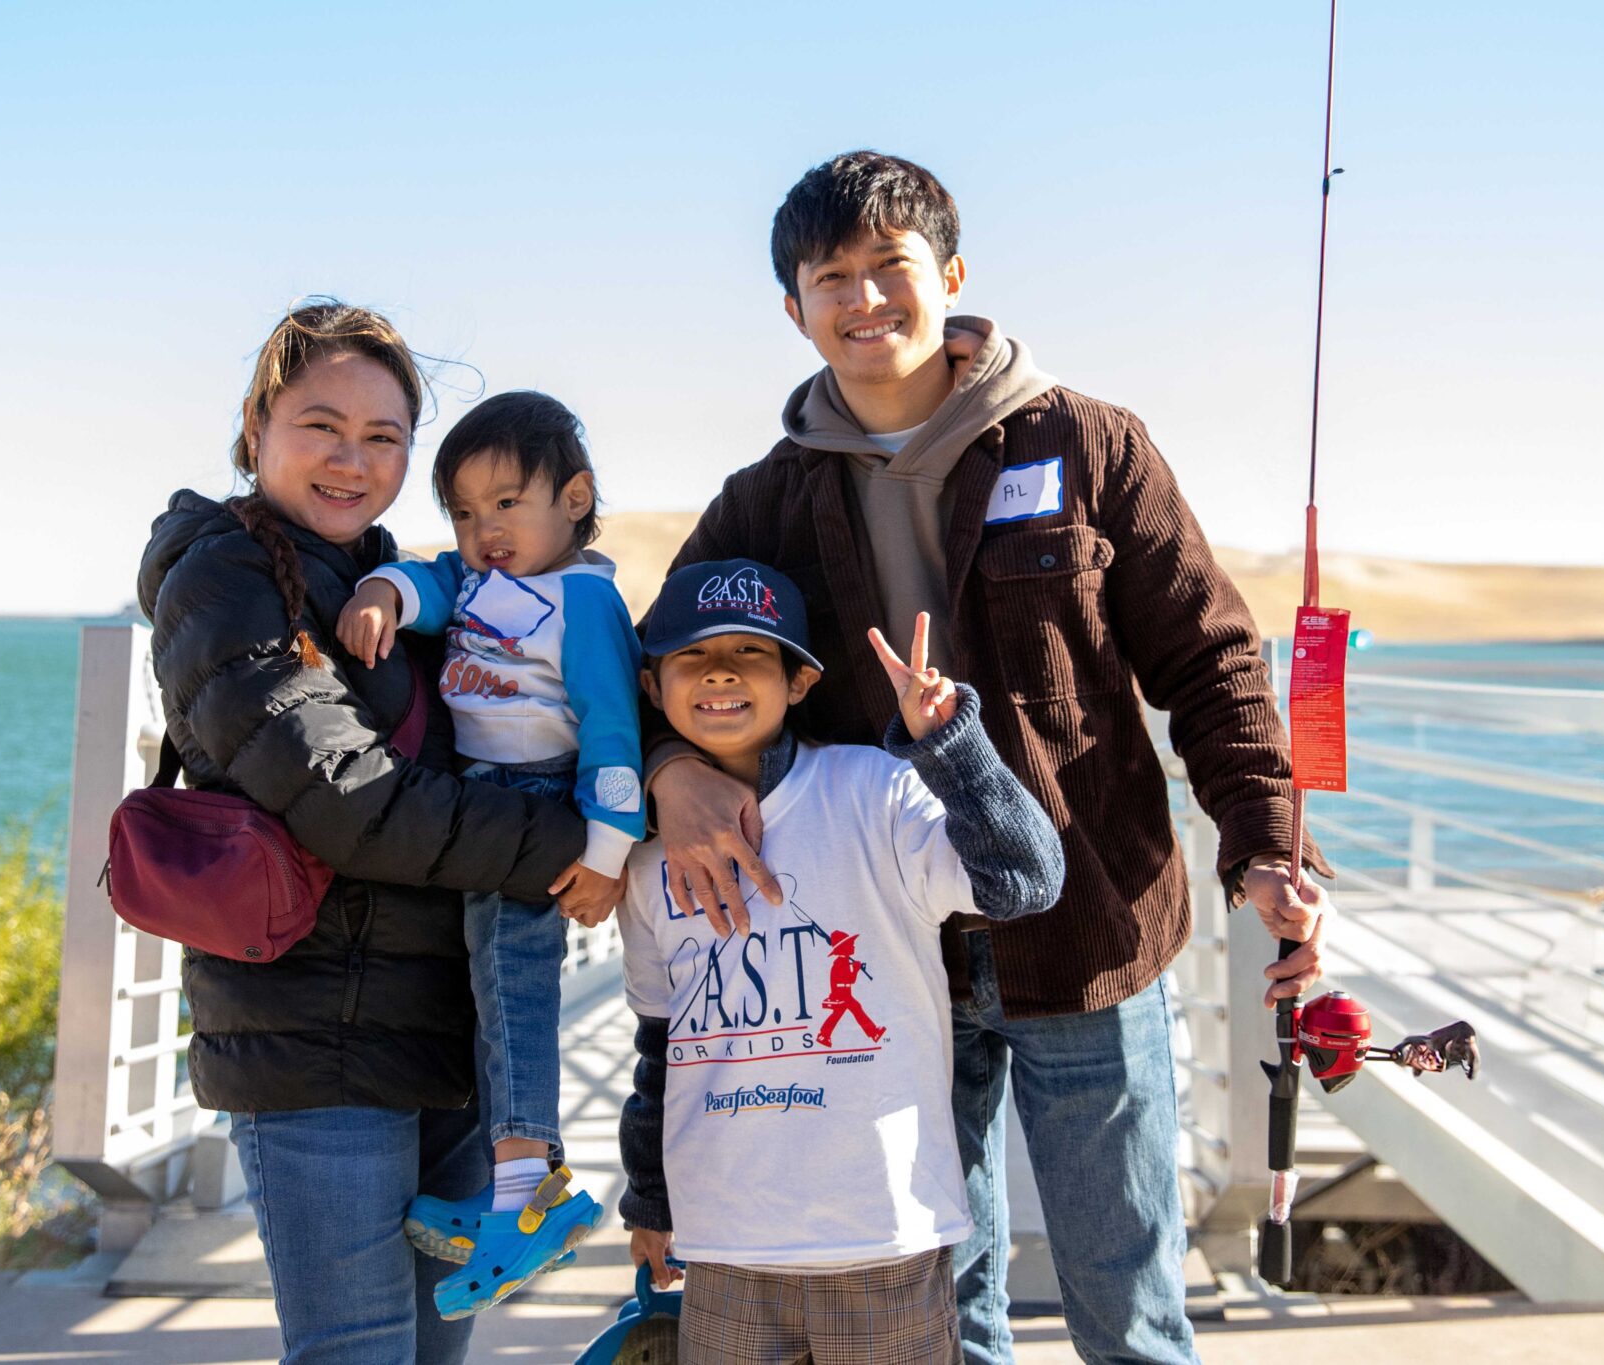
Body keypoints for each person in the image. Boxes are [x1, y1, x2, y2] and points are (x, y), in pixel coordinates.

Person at [643, 152, 1335, 1364]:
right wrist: (667, 768)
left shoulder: (1086, 443)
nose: (864, 301)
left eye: (889, 268)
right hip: (887, 953)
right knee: (940, 1305)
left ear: (950, 275)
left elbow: (1211, 661)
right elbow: (661, 661)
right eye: (831, 278)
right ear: (791, 307)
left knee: (1127, 1300)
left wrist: (1263, 846)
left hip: (1092, 937)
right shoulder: (762, 501)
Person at [138, 299, 587, 1365]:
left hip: (446, 1037)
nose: (352, 459)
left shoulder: (402, 581)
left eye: (383, 437)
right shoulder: (224, 579)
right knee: (356, 1351)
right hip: (317, 1048)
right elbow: (349, 799)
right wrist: (582, 850)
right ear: (256, 427)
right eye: (320, 426)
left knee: (436, 1354)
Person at [615, 560, 1064, 1364]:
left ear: (800, 680)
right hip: (722, 1248)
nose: (719, 670)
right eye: (692, 655)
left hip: (880, 1235)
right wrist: (649, 1198)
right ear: (652, 686)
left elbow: (1028, 880)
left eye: (751, 652)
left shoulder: (877, 795)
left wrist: (948, 743)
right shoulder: (648, 862)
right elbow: (660, 1049)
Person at [335, 391, 638, 1318]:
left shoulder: (582, 598)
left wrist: (607, 854)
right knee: (488, 995)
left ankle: (524, 1202)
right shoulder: (477, 582)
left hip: (538, 805)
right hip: (482, 805)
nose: (483, 529)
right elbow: (430, 583)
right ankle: (518, 1184)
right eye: (464, 511)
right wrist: (381, 589)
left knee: (514, 992)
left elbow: (614, 730)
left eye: (506, 503)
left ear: (575, 497)